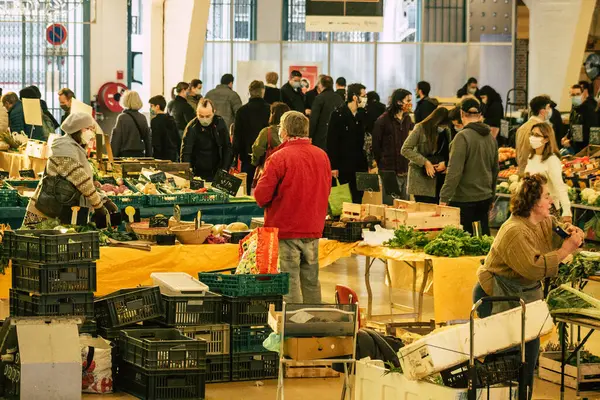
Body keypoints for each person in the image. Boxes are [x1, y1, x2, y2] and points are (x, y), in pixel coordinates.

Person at [474, 173, 584, 398]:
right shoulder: (514, 230)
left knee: (528, 357)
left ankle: (523, 396)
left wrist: (570, 231)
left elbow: (556, 227)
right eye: (546, 196)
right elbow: (532, 268)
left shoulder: (542, 221)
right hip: (498, 295)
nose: (551, 200)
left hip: (523, 297)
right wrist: (565, 251)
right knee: (507, 359)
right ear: (533, 203)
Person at [254, 111, 331, 304]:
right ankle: (313, 326)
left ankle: (293, 329)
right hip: (313, 228)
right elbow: (326, 189)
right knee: (312, 281)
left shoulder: (279, 158)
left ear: (285, 131)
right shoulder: (322, 156)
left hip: (286, 229)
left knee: (290, 283)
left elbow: (261, 196)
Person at [23, 112, 118, 226]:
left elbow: (79, 183)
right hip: (45, 214)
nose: (91, 133)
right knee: (36, 241)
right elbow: (82, 181)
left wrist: (103, 199)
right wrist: (98, 205)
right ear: (77, 130)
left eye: (92, 129)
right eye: (88, 128)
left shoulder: (75, 148)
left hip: (62, 211)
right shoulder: (63, 149)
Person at [439, 97, 498, 236]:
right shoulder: (490, 137)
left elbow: (454, 172)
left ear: (461, 114)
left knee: (463, 242)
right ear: (479, 115)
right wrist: (492, 197)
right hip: (484, 197)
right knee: (481, 239)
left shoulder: (462, 137)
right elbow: (495, 170)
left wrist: (444, 198)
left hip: (464, 200)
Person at [327, 83, 369, 204]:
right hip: (343, 164)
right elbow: (332, 141)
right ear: (355, 97)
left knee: (358, 197)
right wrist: (333, 166)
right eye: (363, 95)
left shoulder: (362, 114)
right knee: (345, 198)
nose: (365, 99)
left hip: (359, 164)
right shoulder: (338, 114)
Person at [372, 88, 414, 202]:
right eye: (408, 100)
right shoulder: (382, 121)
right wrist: (381, 164)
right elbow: (376, 145)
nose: (410, 103)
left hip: (405, 168)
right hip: (389, 170)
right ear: (399, 102)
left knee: (405, 205)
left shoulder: (407, 119)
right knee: (390, 206)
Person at [401, 107, 451, 204]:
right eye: (442, 125)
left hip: (439, 177)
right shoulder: (420, 128)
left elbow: (448, 151)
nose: (444, 127)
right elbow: (405, 149)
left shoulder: (446, 131)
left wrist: (445, 163)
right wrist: (425, 162)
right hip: (422, 179)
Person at [525, 123, 572, 222]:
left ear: (546, 139)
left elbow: (559, 186)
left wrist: (567, 211)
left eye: (537, 135)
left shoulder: (552, 160)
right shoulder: (531, 157)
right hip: (531, 207)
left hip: (547, 209)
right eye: (532, 134)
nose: (533, 137)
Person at [232, 80, 270, 194]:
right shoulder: (269, 109)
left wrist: (235, 155)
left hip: (246, 153)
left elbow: (237, 135)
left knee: (246, 184)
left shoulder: (242, 111)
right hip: (265, 154)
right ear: (263, 91)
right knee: (266, 182)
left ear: (249, 92)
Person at [181, 98, 232, 181]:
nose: (204, 119)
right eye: (201, 116)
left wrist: (225, 168)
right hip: (197, 171)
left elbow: (227, 147)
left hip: (217, 169)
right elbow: (186, 152)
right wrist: (188, 171)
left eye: (208, 116)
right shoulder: (191, 127)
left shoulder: (219, 123)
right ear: (197, 114)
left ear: (213, 112)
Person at [515, 95, 552, 174]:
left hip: (522, 171)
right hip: (537, 174)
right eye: (548, 107)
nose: (550, 110)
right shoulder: (543, 130)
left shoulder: (521, 128)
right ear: (542, 111)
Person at [110, 91, 152, 158]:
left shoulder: (122, 118)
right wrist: (149, 157)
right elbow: (147, 140)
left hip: (125, 156)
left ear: (125, 101)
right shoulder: (143, 118)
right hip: (140, 155)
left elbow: (117, 140)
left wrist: (113, 157)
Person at [309, 75, 344, 151]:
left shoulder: (319, 98)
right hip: (336, 135)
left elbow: (314, 119)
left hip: (321, 136)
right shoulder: (339, 98)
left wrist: (310, 135)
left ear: (321, 85)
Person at [561, 84, 598, 153]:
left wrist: (570, 142)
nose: (575, 97)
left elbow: (588, 133)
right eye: (573, 95)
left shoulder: (589, 110)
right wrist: (567, 136)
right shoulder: (574, 107)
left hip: (585, 149)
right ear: (570, 96)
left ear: (582, 94)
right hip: (575, 145)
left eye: (578, 94)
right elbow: (573, 126)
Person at [251, 102, 290, 167]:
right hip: (287, 167)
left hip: (271, 167)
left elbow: (257, 149)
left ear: (272, 114)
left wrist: (255, 162)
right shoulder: (291, 132)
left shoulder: (267, 131)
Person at [149, 95, 180, 162]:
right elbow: (177, 137)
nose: (151, 108)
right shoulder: (171, 119)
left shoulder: (155, 121)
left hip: (160, 155)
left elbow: (156, 140)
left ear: (157, 106)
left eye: (151, 106)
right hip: (172, 153)